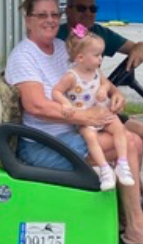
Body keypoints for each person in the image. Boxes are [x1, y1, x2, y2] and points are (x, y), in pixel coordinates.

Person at [5, 0, 143, 244]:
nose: (50, 20)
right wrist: (86, 116)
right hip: (44, 144)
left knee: (134, 137)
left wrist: (114, 93)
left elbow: (93, 75)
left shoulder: (61, 48)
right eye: (42, 15)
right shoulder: (24, 56)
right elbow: (36, 105)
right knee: (130, 142)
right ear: (28, 19)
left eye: (54, 14)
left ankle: (125, 216)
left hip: (69, 132)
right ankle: (135, 226)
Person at [57, 0, 143, 215]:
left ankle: (135, 193)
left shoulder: (98, 35)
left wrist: (140, 50)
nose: (87, 13)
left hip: (98, 103)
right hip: (80, 111)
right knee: (132, 140)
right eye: (81, 8)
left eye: (93, 9)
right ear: (68, 10)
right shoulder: (62, 39)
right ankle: (131, 207)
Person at [52, 24, 134, 191]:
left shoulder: (96, 71)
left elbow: (106, 84)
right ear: (81, 58)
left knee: (119, 129)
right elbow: (56, 92)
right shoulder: (71, 76)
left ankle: (122, 164)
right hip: (85, 118)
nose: (100, 59)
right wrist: (65, 103)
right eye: (97, 55)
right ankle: (104, 169)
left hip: (101, 112)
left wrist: (103, 89)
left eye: (101, 55)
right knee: (91, 137)